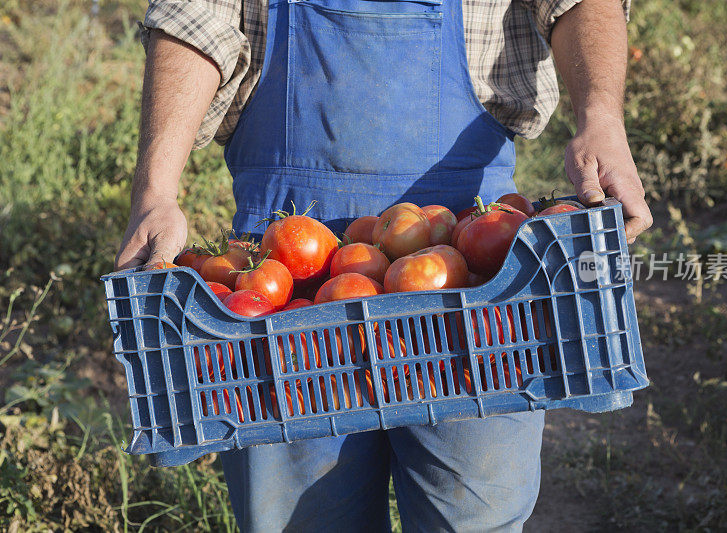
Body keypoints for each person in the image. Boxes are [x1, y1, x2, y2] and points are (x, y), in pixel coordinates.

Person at [115, 0, 652, 530]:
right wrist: (155, 190)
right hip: (284, 278)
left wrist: (602, 118)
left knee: (472, 516)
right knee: (302, 522)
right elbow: (195, 18)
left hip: (472, 273)